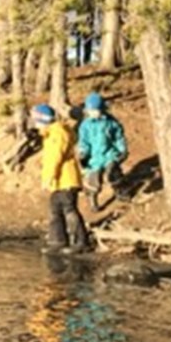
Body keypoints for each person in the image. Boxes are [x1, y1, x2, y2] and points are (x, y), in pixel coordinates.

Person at [32, 103, 91, 253]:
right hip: (59, 181)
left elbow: (55, 158)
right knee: (55, 210)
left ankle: (81, 241)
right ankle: (57, 240)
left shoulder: (58, 134)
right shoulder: (52, 133)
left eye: (36, 120)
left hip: (66, 179)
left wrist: (48, 178)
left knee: (69, 209)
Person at [76, 91, 128, 211]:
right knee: (93, 179)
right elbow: (84, 141)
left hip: (110, 153)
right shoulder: (85, 125)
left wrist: (122, 149)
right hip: (94, 157)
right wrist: (83, 153)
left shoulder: (111, 122)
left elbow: (118, 136)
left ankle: (121, 192)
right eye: (90, 111)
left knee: (113, 173)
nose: (93, 113)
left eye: (95, 110)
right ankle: (93, 200)